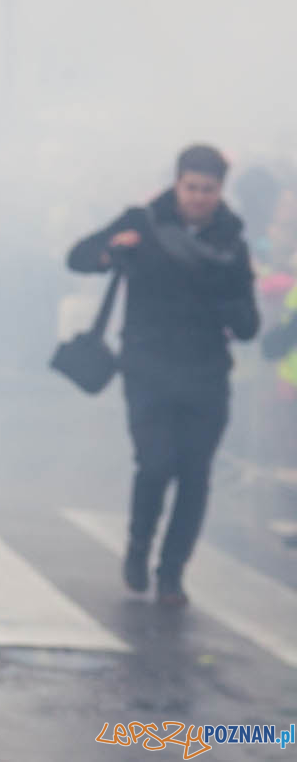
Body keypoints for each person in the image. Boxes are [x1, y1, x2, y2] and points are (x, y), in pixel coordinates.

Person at [67, 144, 260, 606]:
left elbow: (249, 325)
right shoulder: (142, 222)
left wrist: (226, 300)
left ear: (220, 191)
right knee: (155, 465)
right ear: (177, 184)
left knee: (195, 476)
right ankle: (138, 548)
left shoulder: (232, 244)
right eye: (191, 187)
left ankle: (172, 572)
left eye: (208, 189)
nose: (198, 197)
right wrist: (111, 252)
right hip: (147, 367)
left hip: (205, 374)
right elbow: (78, 257)